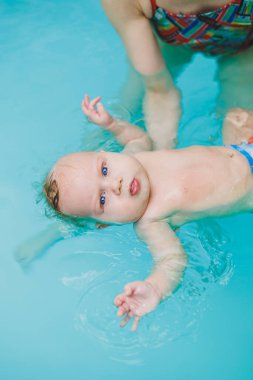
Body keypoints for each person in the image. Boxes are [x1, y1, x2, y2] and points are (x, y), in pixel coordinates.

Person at [42, 95, 253, 331]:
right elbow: (171, 259)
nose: (116, 184)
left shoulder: (134, 157)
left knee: (237, 114)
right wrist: (154, 288)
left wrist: (112, 125)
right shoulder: (150, 222)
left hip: (242, 148)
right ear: (105, 224)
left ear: (108, 154)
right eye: (102, 199)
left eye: (104, 169)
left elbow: (138, 137)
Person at [101, 0, 253, 149]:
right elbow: (159, 89)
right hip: (170, 45)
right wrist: (162, 155)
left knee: (239, 120)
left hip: (245, 49)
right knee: (129, 103)